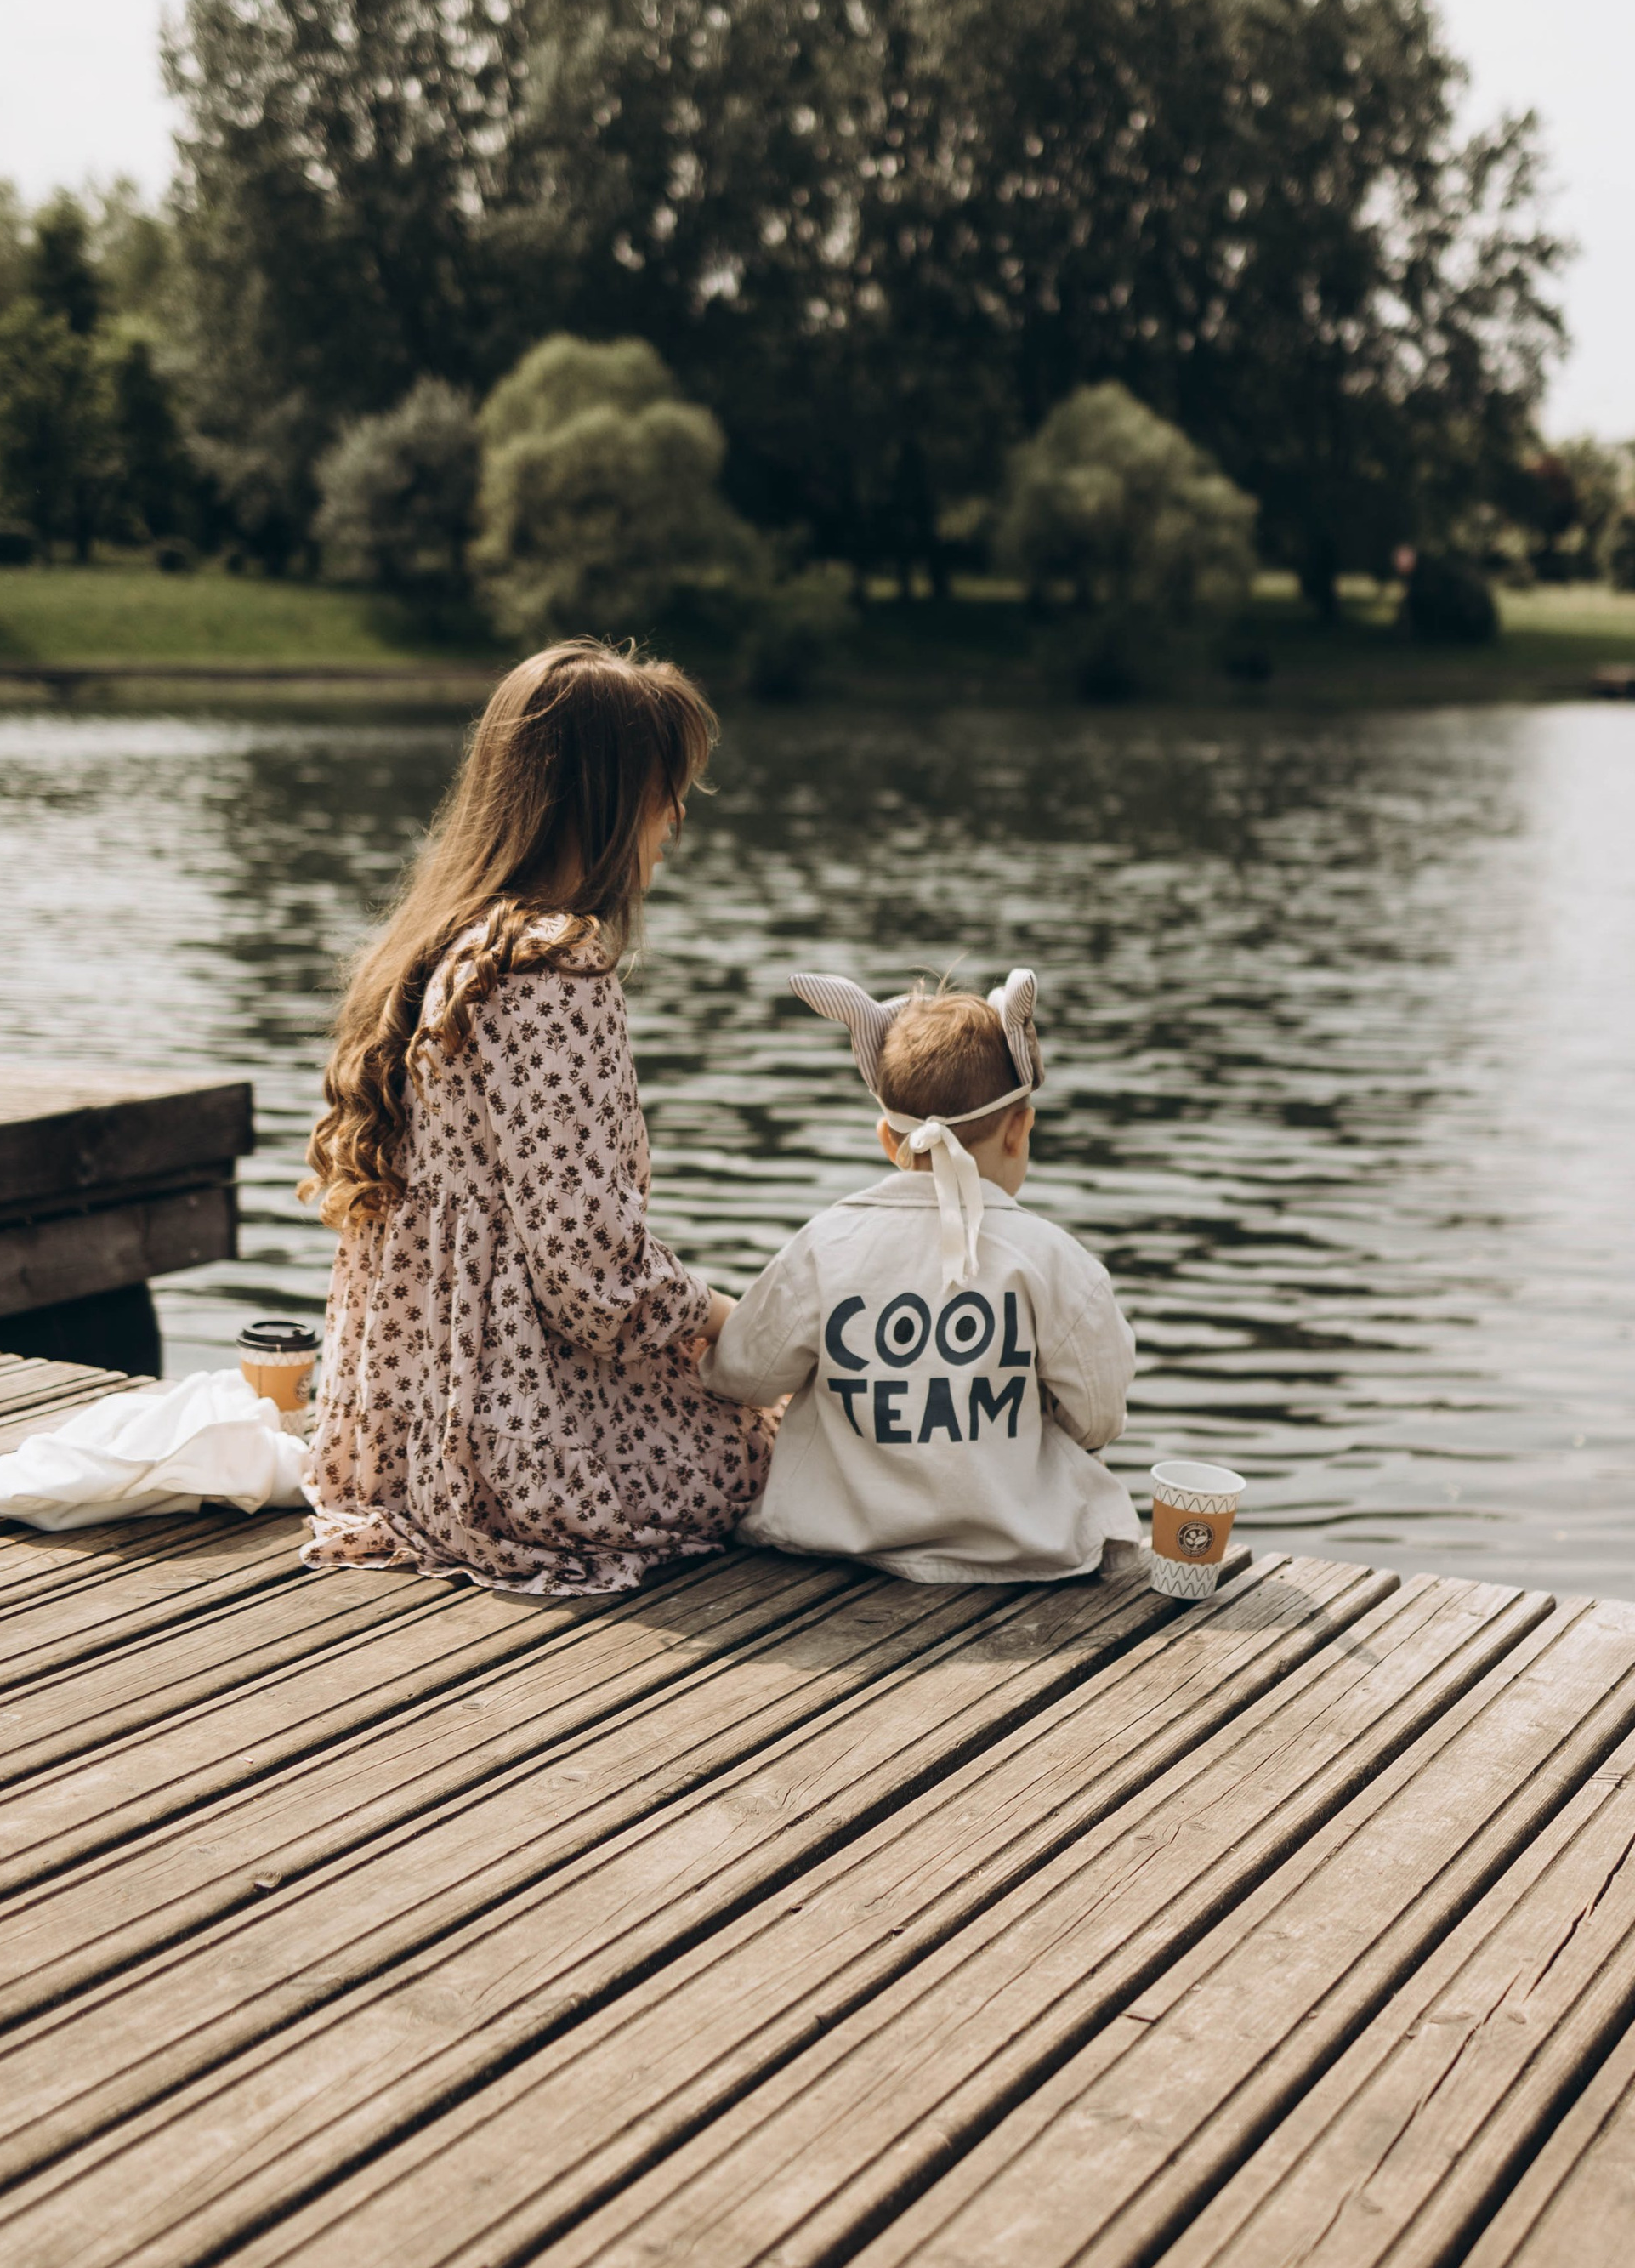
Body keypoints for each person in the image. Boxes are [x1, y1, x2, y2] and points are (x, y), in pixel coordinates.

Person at [298, 639, 769, 1594]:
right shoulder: (553, 971)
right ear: (601, 798)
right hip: (511, 1454)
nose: (676, 817)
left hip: (396, 1441)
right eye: (662, 788)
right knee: (780, 1451)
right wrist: (734, 1323)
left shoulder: (442, 948)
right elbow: (592, 1272)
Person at [702, 969, 1142, 1583]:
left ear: (888, 1138)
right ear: (1020, 1130)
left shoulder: (826, 1244)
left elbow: (742, 1375)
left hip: (834, 1547)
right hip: (1019, 1556)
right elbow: (1099, 1417)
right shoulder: (1054, 1258)